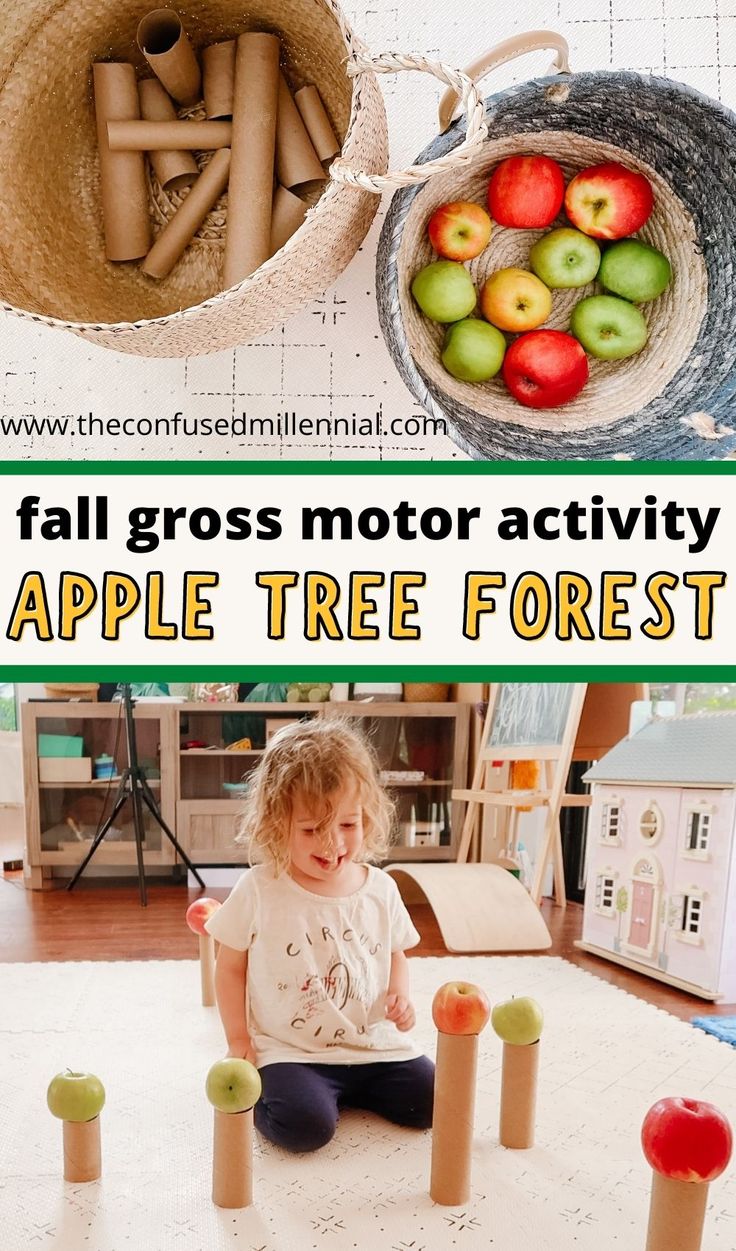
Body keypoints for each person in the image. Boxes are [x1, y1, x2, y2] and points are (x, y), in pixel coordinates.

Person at [205, 716, 435, 1153]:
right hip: (294, 1052)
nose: (332, 845)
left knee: (432, 1101)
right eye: (311, 830)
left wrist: (400, 996)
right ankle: (315, 1099)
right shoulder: (259, 888)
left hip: (373, 1046)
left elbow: (396, 953)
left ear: (367, 816)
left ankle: (350, 1094)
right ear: (276, 825)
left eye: (348, 825)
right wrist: (238, 1039)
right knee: (305, 1128)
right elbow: (230, 967)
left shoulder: (381, 888)